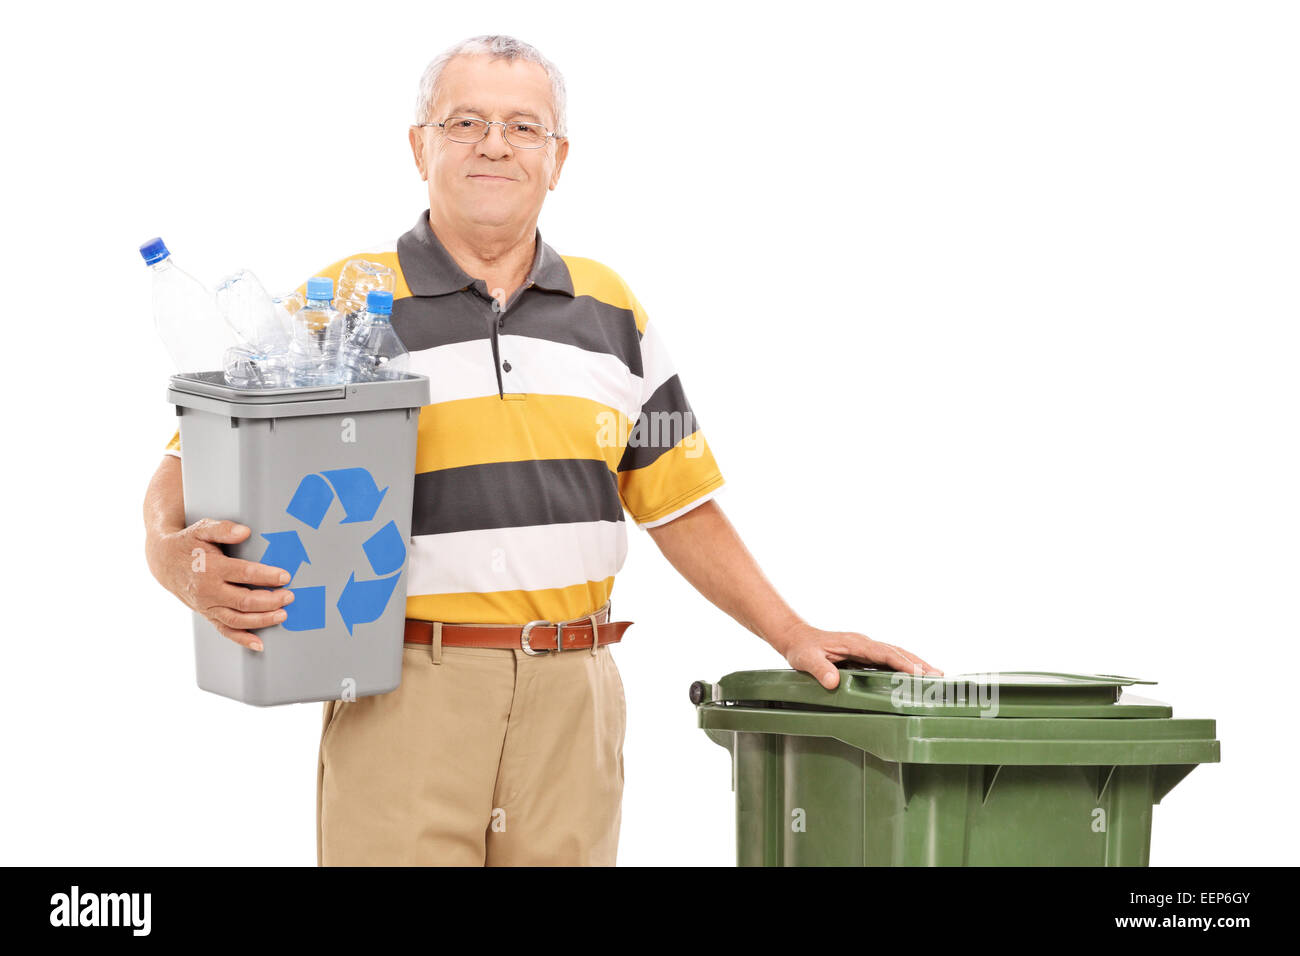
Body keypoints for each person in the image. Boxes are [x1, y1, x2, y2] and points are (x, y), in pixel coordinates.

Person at [142, 34, 941, 866]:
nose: (495, 143)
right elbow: (195, 452)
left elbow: (678, 501)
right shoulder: (339, 304)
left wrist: (791, 632)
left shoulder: (611, 312)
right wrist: (172, 560)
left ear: (558, 159)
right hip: (404, 688)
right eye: (465, 121)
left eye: (525, 127)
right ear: (419, 147)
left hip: (576, 696)